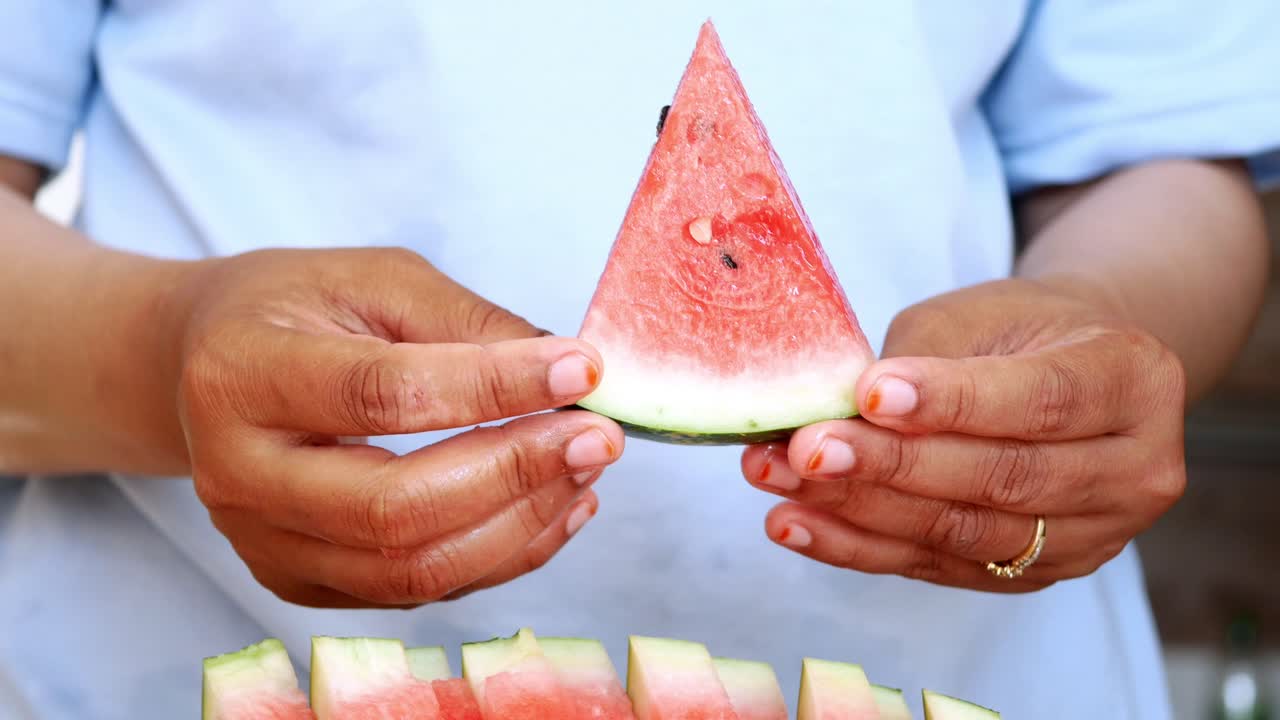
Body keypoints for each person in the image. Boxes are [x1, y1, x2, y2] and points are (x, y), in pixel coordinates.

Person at [1, 2, 1277, 718]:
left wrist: (1096, 318)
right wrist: (159, 357)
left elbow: (1157, 157)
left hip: (953, 682)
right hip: (207, 671)